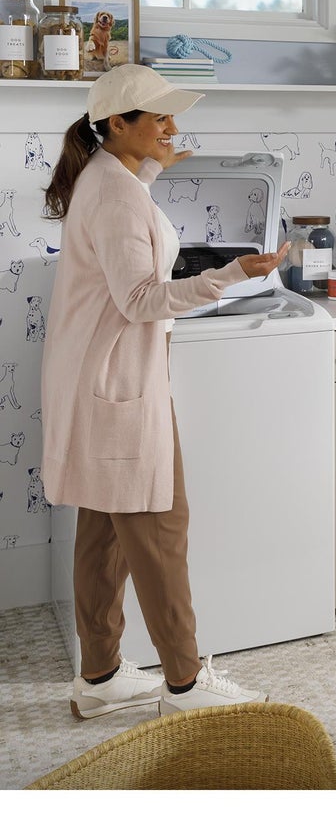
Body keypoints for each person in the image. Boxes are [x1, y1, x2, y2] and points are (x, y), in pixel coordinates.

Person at [41, 65, 290, 718]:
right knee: (160, 527)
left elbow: (124, 239)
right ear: (118, 123)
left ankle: (99, 677)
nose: (172, 126)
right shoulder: (116, 194)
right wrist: (231, 274)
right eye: (159, 117)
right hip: (118, 384)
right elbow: (141, 299)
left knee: (103, 530)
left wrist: (151, 168)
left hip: (98, 381)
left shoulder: (108, 178)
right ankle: (184, 684)